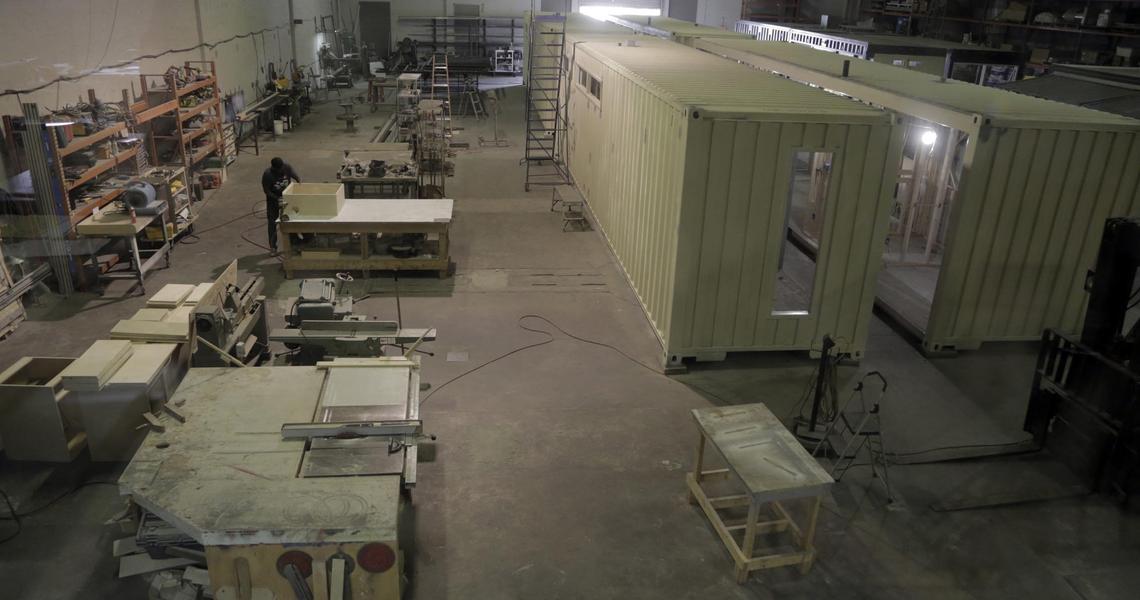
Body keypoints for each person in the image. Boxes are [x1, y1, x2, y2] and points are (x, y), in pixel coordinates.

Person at [261, 157, 300, 254]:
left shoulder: (287, 167)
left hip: (287, 198)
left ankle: (294, 244)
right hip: (273, 201)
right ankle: (273, 247)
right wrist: (276, 198)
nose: (281, 171)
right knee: (272, 223)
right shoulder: (267, 175)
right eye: (278, 170)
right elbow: (266, 190)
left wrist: (299, 183)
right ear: (273, 168)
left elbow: (295, 176)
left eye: (281, 169)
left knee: (290, 220)